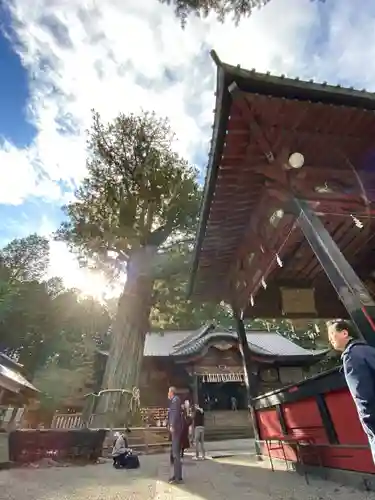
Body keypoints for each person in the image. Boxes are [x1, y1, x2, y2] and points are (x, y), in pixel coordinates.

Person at [327, 319, 375, 464]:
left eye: (332, 334)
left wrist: (368, 424)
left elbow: (362, 396)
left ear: (344, 333)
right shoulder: (369, 350)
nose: (330, 340)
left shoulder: (351, 356)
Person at [167, 386, 183, 484]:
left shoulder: (175, 400)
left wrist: (172, 424)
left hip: (176, 429)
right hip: (176, 429)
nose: (167, 394)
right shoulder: (174, 401)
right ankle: (176, 475)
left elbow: (174, 413)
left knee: (176, 454)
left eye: (168, 392)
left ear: (171, 392)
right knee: (175, 453)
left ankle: (178, 477)